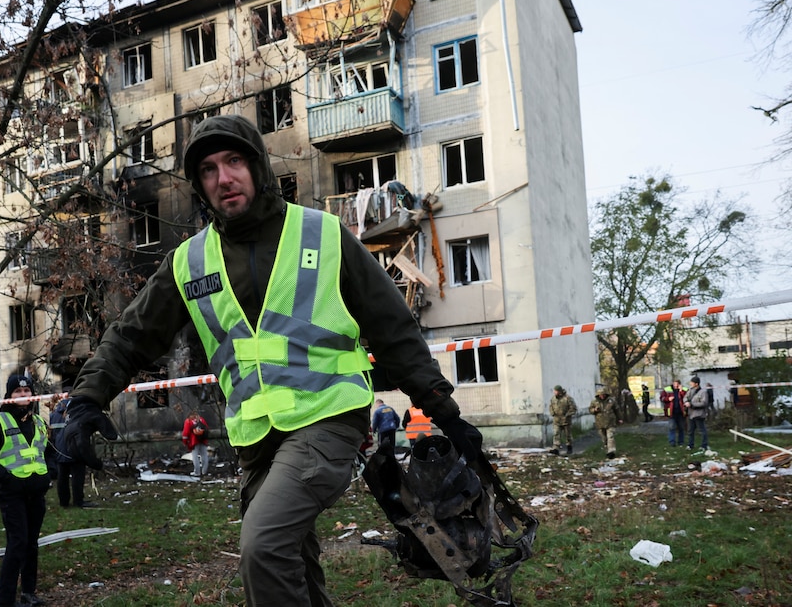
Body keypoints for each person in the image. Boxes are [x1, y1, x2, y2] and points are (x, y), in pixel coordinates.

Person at [59, 114, 483, 607]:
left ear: (257, 167)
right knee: (294, 569)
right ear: (200, 185)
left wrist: (440, 406)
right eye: (209, 170)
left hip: (328, 419)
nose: (224, 177)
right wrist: (86, 399)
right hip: (256, 441)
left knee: (262, 547)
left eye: (234, 161)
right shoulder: (189, 261)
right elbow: (130, 336)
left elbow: (393, 328)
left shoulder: (322, 234)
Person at [0, 374, 55, 607]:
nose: (23, 396)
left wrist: (49, 475)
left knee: (31, 544)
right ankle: (5, 601)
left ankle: (29, 593)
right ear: (9, 395)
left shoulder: (39, 422)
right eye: (18, 392)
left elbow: (48, 452)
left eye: (27, 392)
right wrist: (5, 479)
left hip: (36, 494)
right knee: (17, 544)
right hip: (12, 494)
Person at [49, 396, 94, 508]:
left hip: (60, 450)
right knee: (77, 476)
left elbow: (53, 434)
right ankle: (78, 501)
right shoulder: (78, 411)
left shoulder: (53, 415)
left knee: (62, 477)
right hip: (75, 448)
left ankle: (64, 502)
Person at [588, 390, 622, 459]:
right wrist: (594, 410)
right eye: (600, 395)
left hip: (610, 422)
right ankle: (607, 450)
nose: (602, 396)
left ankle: (611, 451)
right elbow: (590, 410)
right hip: (600, 423)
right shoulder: (595, 402)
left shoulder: (611, 401)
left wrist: (620, 418)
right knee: (604, 438)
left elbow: (617, 409)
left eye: (603, 394)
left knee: (610, 436)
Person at [548, 385, 577, 455]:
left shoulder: (568, 398)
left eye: (556, 391)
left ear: (559, 391)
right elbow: (551, 406)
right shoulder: (553, 399)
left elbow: (573, 408)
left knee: (568, 435)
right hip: (557, 420)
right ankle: (556, 448)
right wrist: (552, 413)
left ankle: (569, 447)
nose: (554, 392)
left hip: (566, 421)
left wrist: (567, 415)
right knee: (556, 434)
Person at [182, 411, 210, 478]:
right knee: (204, 456)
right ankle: (204, 471)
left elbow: (185, 433)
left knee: (195, 457)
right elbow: (207, 429)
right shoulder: (201, 419)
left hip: (194, 441)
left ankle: (197, 472)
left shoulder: (188, 421)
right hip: (203, 440)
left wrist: (185, 442)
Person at [684, 377, 709, 451]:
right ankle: (690, 445)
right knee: (690, 431)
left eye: (692, 382)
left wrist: (692, 404)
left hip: (699, 414)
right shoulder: (690, 390)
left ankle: (704, 445)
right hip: (691, 414)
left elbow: (704, 403)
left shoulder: (703, 392)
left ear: (696, 384)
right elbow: (685, 397)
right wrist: (686, 402)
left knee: (702, 430)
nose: (690, 384)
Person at [664, 380, 688, 447]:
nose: (676, 385)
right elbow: (662, 398)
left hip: (681, 412)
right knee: (672, 427)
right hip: (671, 412)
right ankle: (672, 442)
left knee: (681, 428)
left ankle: (681, 442)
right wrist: (668, 399)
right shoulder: (667, 389)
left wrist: (681, 391)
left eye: (677, 384)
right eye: (675, 384)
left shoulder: (684, 389)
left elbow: (687, 398)